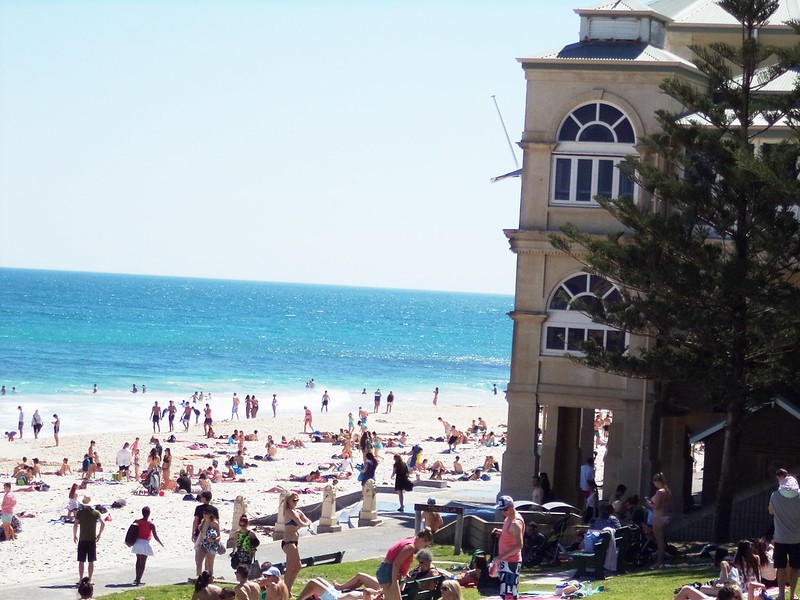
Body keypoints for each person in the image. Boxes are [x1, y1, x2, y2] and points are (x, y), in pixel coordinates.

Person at [376, 529, 434, 600]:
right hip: (388, 572)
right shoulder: (410, 547)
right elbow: (396, 564)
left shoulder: (409, 540)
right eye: (425, 545)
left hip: (388, 571)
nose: (424, 548)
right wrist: (394, 583)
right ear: (422, 540)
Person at [769, 468, 800, 600]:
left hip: (780, 538)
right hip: (797, 538)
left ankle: (781, 595)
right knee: (795, 567)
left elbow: (770, 511)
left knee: (780, 568)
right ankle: (792, 595)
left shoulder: (775, 496)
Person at [491, 495, 525, 600]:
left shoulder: (516, 522)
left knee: (509, 593)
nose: (503, 512)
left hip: (511, 562)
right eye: (501, 510)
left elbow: (519, 545)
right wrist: (501, 532)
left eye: (505, 509)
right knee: (504, 592)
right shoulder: (508, 519)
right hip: (506, 561)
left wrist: (501, 557)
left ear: (512, 506)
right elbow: (511, 535)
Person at [282, 492, 314, 594]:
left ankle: (286, 591)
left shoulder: (298, 511)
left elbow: (308, 521)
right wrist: (308, 524)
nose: (295, 502)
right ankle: (287, 589)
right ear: (288, 501)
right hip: (288, 542)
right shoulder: (288, 511)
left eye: (297, 500)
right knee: (298, 565)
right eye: (293, 500)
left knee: (290, 567)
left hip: (294, 542)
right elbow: (301, 523)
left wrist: (311, 527)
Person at [73, 495, 105, 583]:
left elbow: (75, 524)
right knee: (91, 561)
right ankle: (90, 580)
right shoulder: (95, 513)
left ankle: (80, 579)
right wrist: (99, 534)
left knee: (81, 561)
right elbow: (103, 523)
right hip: (92, 539)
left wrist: (74, 535)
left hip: (82, 539)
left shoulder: (80, 513)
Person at [131, 505, 164, 585]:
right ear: (149, 514)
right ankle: (138, 580)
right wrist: (160, 543)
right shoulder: (151, 524)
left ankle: (136, 578)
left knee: (138, 561)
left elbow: (131, 531)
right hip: (145, 543)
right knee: (143, 563)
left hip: (137, 542)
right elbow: (155, 536)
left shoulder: (136, 521)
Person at [647, 472, 672, 568]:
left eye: (655, 482)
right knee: (662, 540)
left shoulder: (660, 492)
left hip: (658, 517)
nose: (654, 484)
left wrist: (649, 503)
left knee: (659, 541)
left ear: (658, 481)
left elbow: (656, 506)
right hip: (665, 516)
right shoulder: (667, 491)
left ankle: (659, 561)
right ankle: (661, 560)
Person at [192, 492, 216, 579]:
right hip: (210, 535)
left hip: (201, 534)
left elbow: (195, 521)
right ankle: (206, 573)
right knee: (208, 556)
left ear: (204, 498)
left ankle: (200, 575)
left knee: (198, 555)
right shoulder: (214, 509)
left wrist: (193, 533)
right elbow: (217, 523)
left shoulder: (199, 508)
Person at [296, 577, 383, 600]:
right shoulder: (374, 597)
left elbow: (366, 591)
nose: (381, 596)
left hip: (334, 598)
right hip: (338, 594)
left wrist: (376, 591)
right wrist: (377, 592)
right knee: (318, 579)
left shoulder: (371, 598)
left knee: (313, 583)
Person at [198, 507, 223, 579]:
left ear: (210, 514)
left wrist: (213, 540)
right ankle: (200, 578)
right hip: (203, 544)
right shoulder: (203, 522)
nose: (204, 515)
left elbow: (219, 536)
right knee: (199, 561)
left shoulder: (215, 523)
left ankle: (210, 578)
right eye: (203, 513)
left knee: (210, 564)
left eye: (206, 513)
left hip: (212, 545)